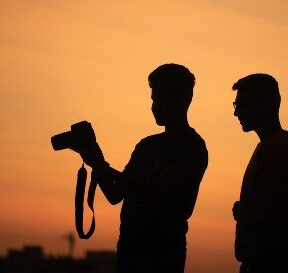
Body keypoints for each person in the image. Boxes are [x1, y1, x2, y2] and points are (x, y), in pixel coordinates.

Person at [72, 64, 208, 272]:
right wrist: (95, 160)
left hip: (162, 253)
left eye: (161, 100)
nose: (155, 106)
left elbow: (156, 194)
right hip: (129, 248)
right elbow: (115, 194)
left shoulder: (190, 145)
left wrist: (102, 165)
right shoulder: (146, 145)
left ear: (183, 100)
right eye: (154, 99)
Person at [231, 74, 288, 273]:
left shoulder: (274, 149)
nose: (237, 114)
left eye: (242, 105)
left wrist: (257, 261)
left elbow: (276, 215)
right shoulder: (275, 145)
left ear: (266, 105)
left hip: (269, 263)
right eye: (236, 106)